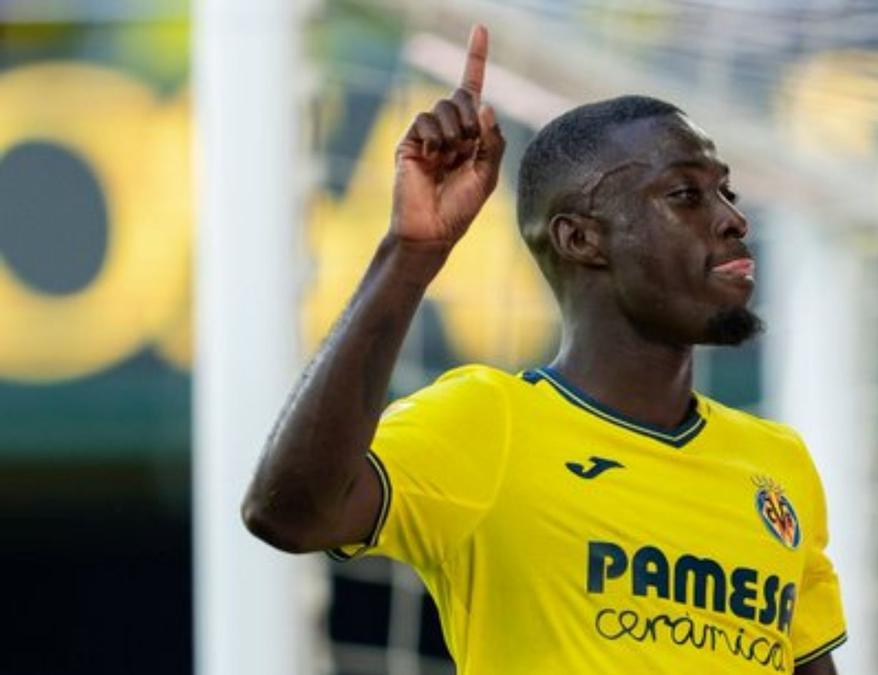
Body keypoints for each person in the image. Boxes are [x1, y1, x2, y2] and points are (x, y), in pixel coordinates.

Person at [243, 24, 845, 675]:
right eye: (685, 195)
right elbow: (290, 515)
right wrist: (412, 253)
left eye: (726, 189)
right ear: (581, 239)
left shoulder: (780, 464)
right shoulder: (489, 420)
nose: (732, 216)